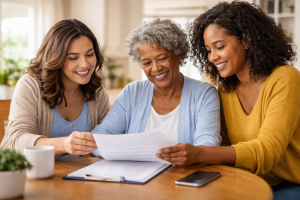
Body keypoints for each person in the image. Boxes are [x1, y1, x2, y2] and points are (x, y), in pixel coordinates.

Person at [169, 1, 299, 199]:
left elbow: (266, 152)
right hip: (249, 180)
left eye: (219, 47)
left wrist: (200, 153)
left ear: (246, 40)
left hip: (291, 183)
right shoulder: (226, 89)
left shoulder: (286, 78)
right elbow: (223, 144)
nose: (212, 57)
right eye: (208, 50)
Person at [92, 19, 221, 166]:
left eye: (162, 58)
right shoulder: (132, 92)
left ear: (179, 55)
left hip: (181, 180)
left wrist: (195, 154)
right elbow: (100, 137)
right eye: (147, 63)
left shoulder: (204, 94)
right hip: (135, 179)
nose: (155, 68)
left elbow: (208, 144)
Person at [0, 19, 110, 158]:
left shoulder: (97, 93)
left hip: (77, 175)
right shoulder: (30, 85)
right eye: (73, 58)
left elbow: (107, 140)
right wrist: (64, 144)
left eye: (89, 54)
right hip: (27, 174)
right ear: (55, 59)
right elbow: (17, 140)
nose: (84, 64)